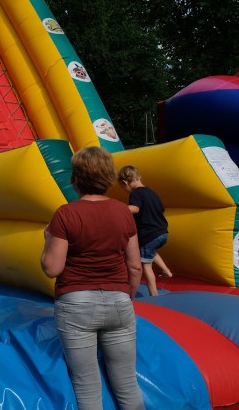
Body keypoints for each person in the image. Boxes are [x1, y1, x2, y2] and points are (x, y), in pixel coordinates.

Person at [41, 146, 144, 410]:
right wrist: (126, 296)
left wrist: (48, 240)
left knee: (87, 388)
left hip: (76, 304)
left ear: (75, 178)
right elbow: (134, 266)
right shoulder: (123, 212)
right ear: (109, 177)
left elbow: (52, 267)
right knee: (128, 385)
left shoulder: (66, 214)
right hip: (118, 302)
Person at [118, 165, 173, 296]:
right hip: (162, 232)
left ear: (125, 183)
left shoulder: (136, 193)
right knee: (150, 251)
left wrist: (118, 209)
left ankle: (153, 295)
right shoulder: (152, 193)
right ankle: (166, 271)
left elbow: (135, 209)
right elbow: (160, 209)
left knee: (145, 265)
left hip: (149, 234)